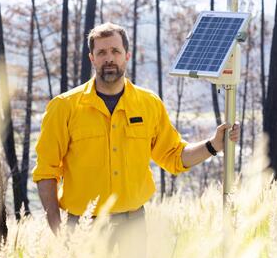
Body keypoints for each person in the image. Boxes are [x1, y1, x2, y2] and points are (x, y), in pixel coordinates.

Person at [32, 22, 239, 235]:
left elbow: (175, 156)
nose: (109, 58)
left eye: (115, 51)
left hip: (134, 227)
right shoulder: (64, 107)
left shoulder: (149, 103)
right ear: (92, 58)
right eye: (101, 52)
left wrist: (213, 145)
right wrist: (59, 231)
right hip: (82, 228)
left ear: (127, 56)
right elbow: (46, 172)